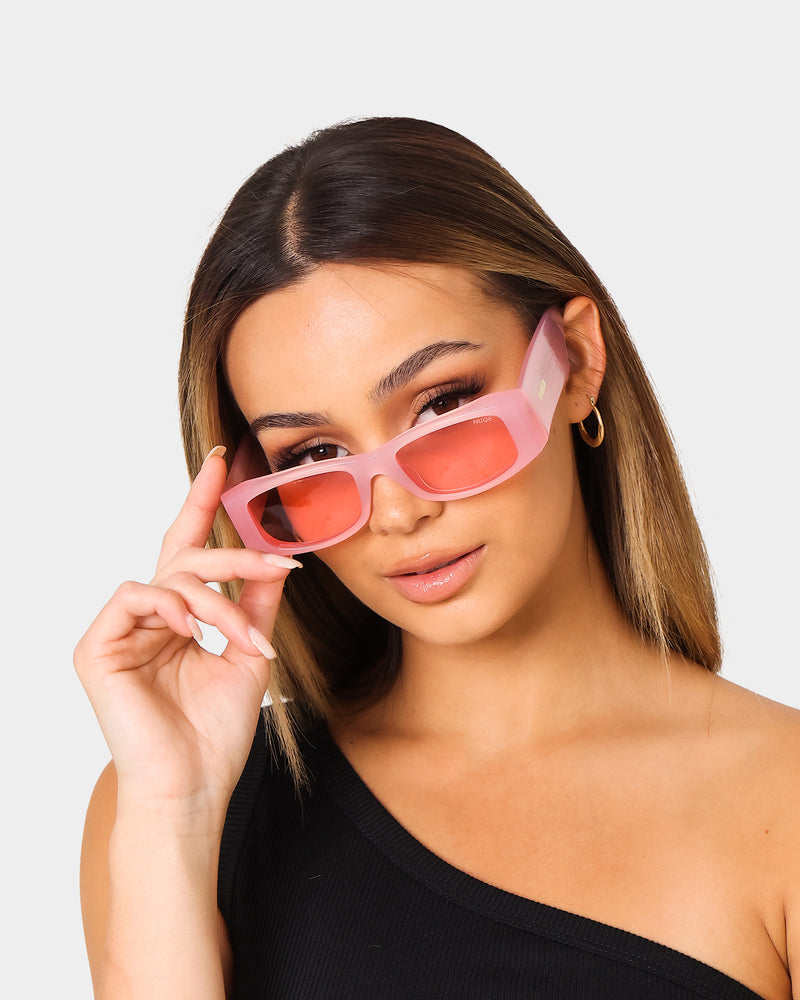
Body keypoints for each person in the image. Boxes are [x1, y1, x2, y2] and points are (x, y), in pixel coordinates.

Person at [75, 117, 800, 1000]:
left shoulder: (783, 803)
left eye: (441, 405)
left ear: (574, 361)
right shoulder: (173, 808)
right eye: (314, 455)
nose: (398, 509)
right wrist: (173, 814)